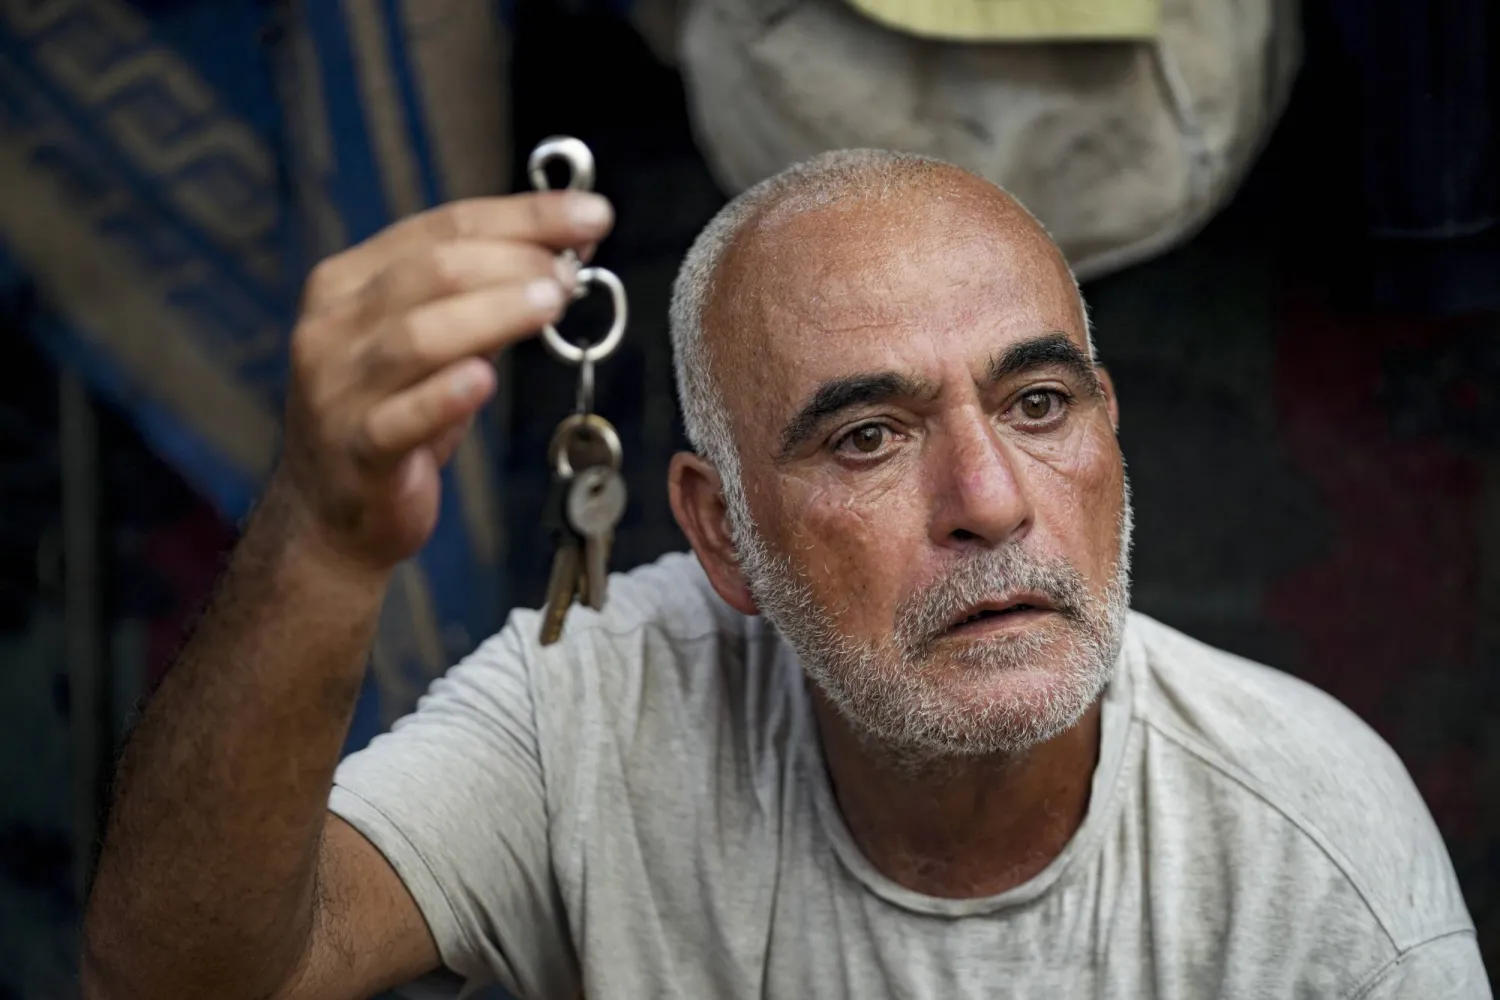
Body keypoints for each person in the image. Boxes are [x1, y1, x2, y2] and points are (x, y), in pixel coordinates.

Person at [80, 151, 1490, 1000]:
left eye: (1040, 404)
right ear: (719, 531)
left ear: (1111, 433)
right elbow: (190, 985)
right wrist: (320, 542)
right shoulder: (594, 717)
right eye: (869, 437)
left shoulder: (1312, 846)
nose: (989, 503)